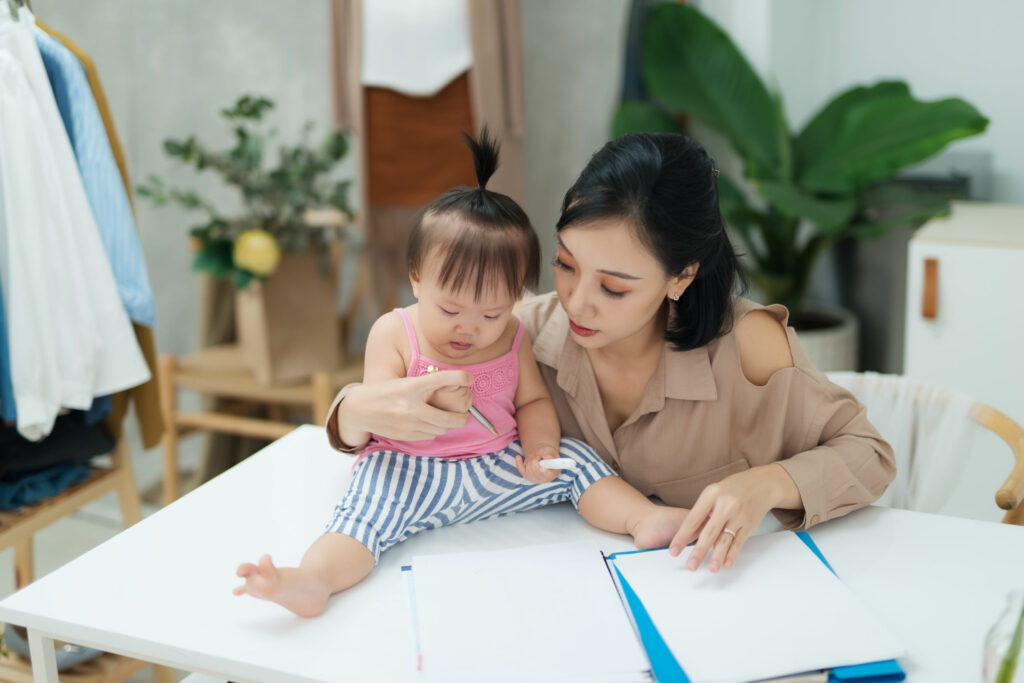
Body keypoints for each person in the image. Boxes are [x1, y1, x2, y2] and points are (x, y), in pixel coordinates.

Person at [328, 132, 897, 576]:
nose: (576, 302)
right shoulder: (518, 331)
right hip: (557, 593)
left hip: (720, 591)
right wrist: (353, 411)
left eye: (615, 287)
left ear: (681, 277)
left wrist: (767, 484)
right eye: (566, 264)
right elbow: (396, 427)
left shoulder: (748, 345)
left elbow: (869, 455)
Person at [234, 131, 687, 617]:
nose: (470, 328)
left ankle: (643, 518)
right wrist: (421, 403)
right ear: (415, 280)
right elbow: (377, 406)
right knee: (360, 517)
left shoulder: (513, 337)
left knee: (576, 462)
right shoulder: (395, 332)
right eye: (449, 308)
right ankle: (312, 580)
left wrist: (540, 449)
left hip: (496, 467)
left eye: (491, 313)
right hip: (408, 472)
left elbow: (533, 402)